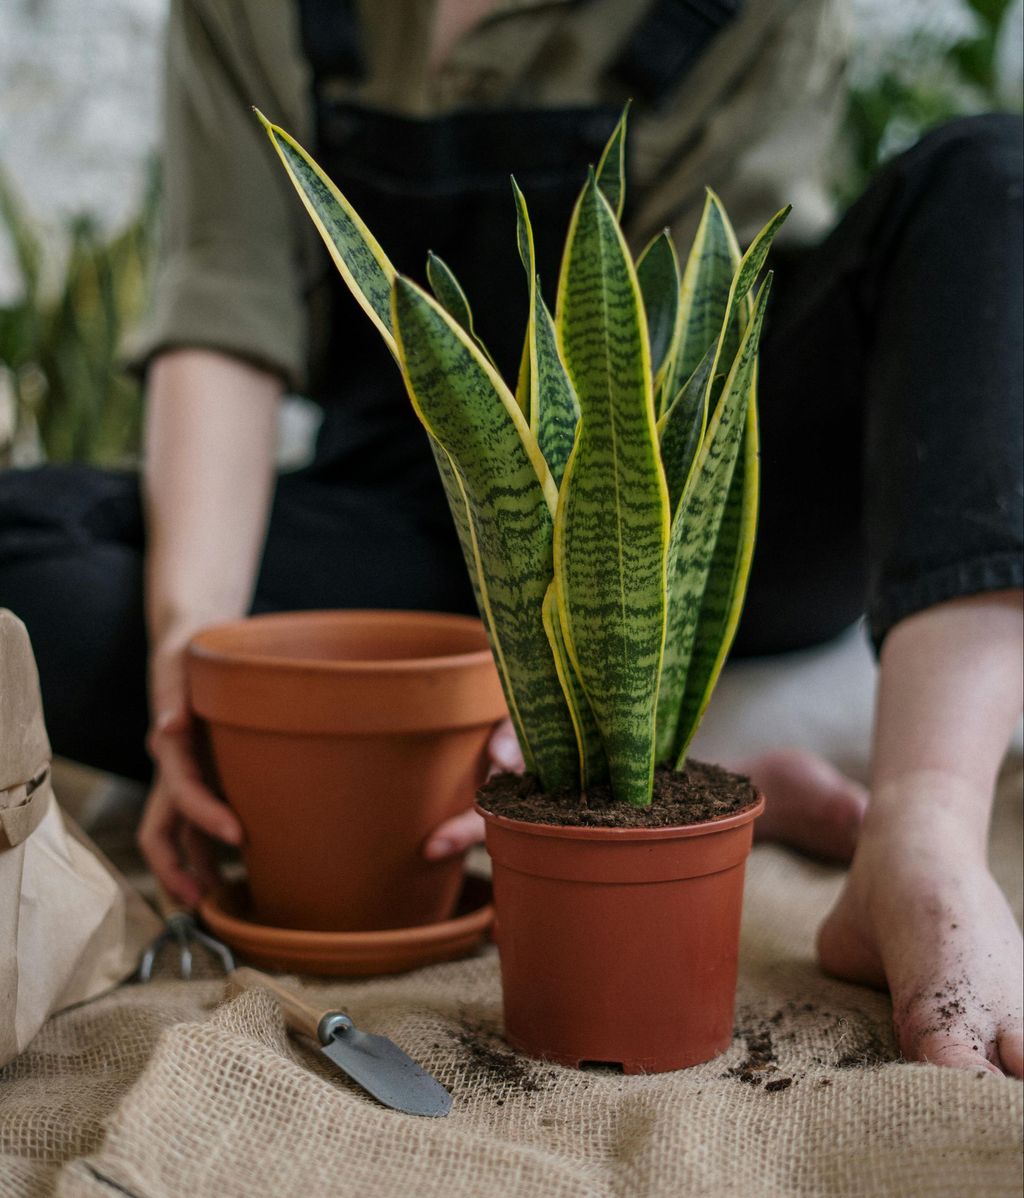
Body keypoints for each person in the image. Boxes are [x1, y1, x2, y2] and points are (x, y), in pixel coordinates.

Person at [0, 0, 1020, 1076]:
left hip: (683, 535)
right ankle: (675, 776)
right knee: (26, 554)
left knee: (991, 173)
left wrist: (589, 643)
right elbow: (225, 315)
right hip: (406, 511)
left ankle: (914, 823)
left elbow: (675, 335)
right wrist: (189, 667)